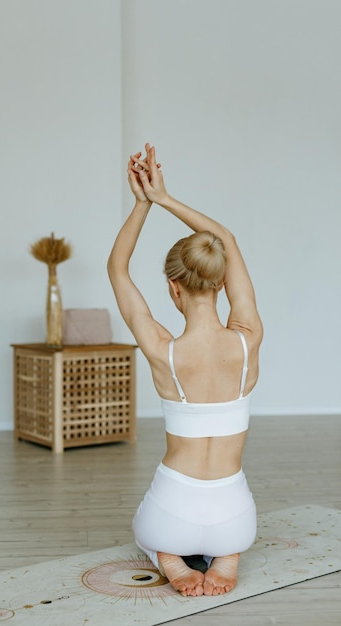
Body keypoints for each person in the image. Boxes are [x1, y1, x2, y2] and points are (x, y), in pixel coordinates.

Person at [107, 143, 263, 598]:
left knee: (146, 529)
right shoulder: (248, 339)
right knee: (230, 527)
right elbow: (227, 241)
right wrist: (167, 198)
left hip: (171, 513)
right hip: (236, 520)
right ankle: (227, 556)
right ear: (221, 283)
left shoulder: (162, 351)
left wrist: (142, 203)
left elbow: (117, 268)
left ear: (172, 288)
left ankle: (171, 560)